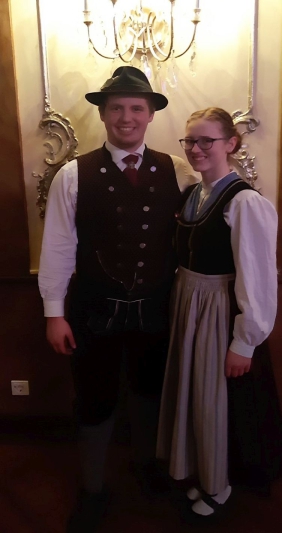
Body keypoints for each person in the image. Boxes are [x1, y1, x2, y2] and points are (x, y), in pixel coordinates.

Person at [38, 66, 197, 533]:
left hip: (158, 308)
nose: (126, 117)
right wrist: (53, 314)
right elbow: (59, 246)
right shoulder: (73, 174)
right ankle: (92, 489)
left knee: (151, 392)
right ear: (104, 114)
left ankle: (148, 467)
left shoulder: (180, 170)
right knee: (94, 398)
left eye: (136, 108)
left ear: (149, 115)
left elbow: (202, 231)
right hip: (92, 311)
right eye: (117, 109)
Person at [156, 107, 282, 518]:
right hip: (187, 304)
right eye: (190, 140)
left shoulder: (245, 202)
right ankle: (198, 469)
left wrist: (244, 342)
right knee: (193, 394)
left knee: (215, 399)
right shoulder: (193, 193)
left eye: (206, 140)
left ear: (230, 144)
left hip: (217, 310)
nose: (196, 149)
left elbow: (258, 276)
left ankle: (220, 484)